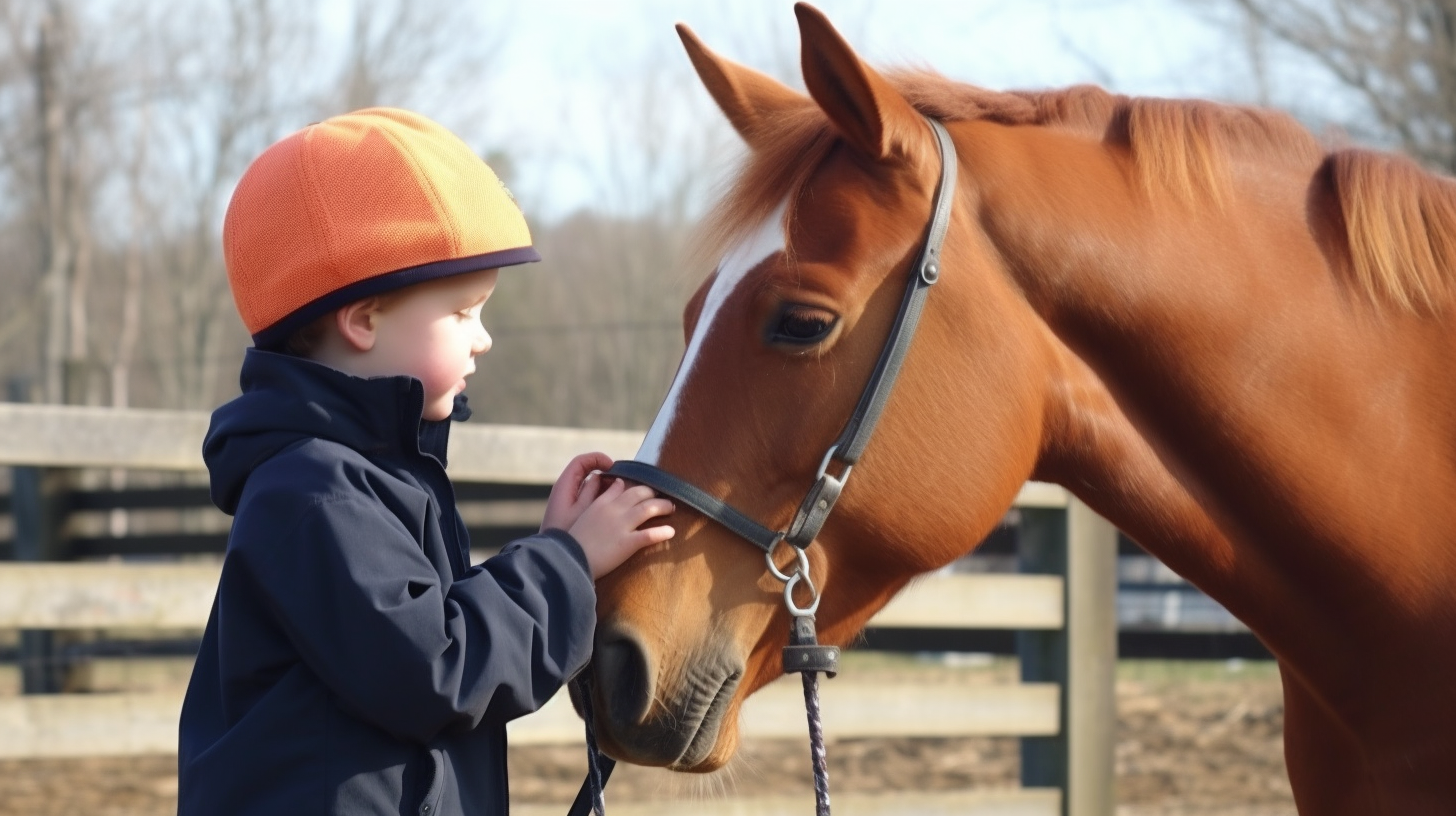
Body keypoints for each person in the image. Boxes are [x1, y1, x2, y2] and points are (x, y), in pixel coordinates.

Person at [177, 107, 675, 815]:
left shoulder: (370, 479)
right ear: (364, 319)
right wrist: (566, 562)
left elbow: (424, 633)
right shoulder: (313, 491)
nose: (485, 340)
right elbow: (434, 667)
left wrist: (550, 550)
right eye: (463, 311)